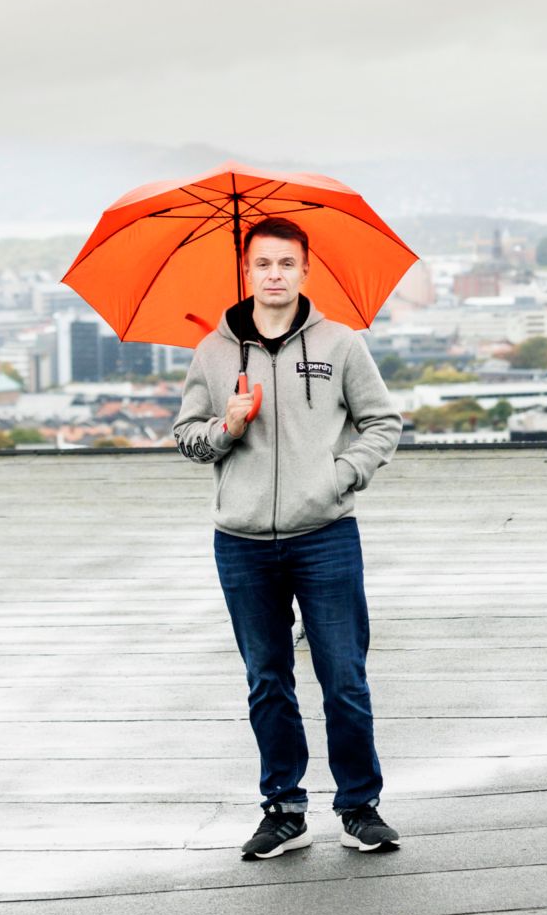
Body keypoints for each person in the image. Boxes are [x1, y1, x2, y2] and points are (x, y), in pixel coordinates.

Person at [173, 215, 403, 860]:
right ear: (247, 272)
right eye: (262, 264)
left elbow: (382, 422)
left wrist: (341, 475)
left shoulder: (341, 344)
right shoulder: (214, 353)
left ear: (305, 271)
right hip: (242, 542)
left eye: (286, 264)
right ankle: (284, 808)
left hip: (325, 532)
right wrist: (229, 425)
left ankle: (360, 807)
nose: (274, 275)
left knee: (344, 676)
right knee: (267, 678)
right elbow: (188, 438)